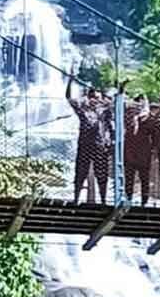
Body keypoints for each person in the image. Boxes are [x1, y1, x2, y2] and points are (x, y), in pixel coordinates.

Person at [66, 69, 113, 204]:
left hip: (100, 145)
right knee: (81, 171)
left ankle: (103, 200)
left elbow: (112, 121)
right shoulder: (83, 109)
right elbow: (69, 98)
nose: (94, 100)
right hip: (85, 144)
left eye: (97, 97)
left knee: (102, 173)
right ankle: (76, 198)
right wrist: (70, 80)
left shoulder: (105, 110)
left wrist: (111, 142)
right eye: (92, 97)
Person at [120, 81, 154, 206]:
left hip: (143, 152)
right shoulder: (128, 114)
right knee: (129, 177)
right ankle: (129, 200)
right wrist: (122, 88)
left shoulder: (147, 117)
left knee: (144, 178)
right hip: (131, 150)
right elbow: (122, 103)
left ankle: (143, 202)